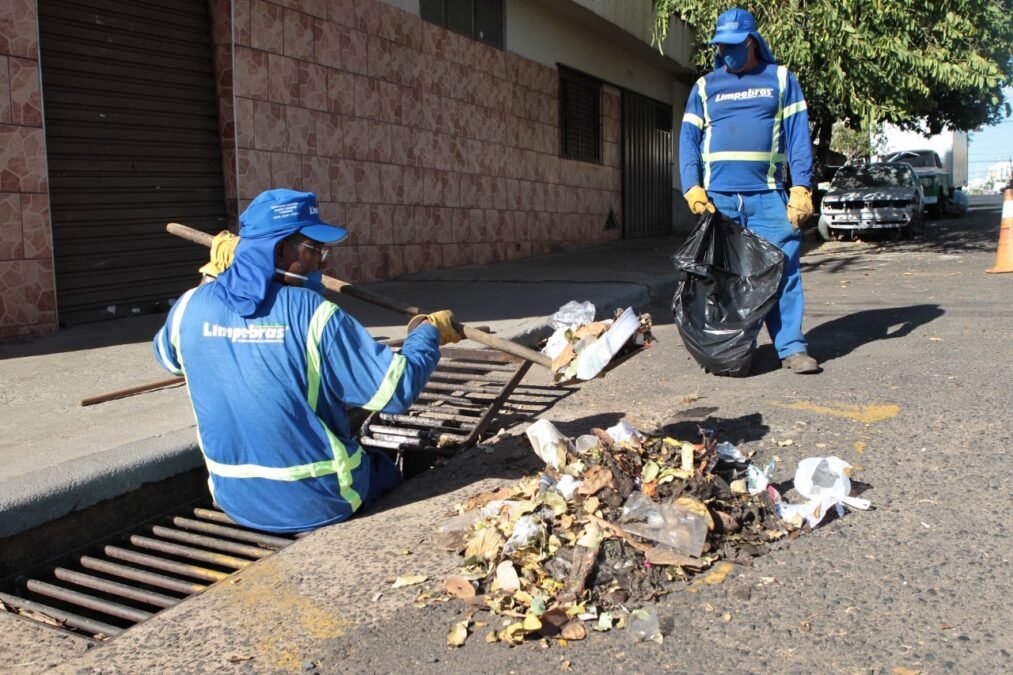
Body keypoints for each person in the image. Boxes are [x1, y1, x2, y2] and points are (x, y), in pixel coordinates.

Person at [154, 189, 461, 533]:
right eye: (315, 250)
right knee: (390, 471)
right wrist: (427, 334)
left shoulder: (188, 307)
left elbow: (170, 359)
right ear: (280, 251)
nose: (324, 263)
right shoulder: (315, 315)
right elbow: (396, 390)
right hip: (321, 500)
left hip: (236, 500)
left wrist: (213, 275)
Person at [679, 7, 819, 374]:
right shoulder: (706, 87)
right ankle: (736, 348)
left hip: (767, 196)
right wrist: (692, 187)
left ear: (752, 42)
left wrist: (801, 187)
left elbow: (798, 138)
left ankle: (791, 348)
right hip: (720, 201)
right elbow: (689, 140)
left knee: (783, 269)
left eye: (733, 45)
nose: (726, 52)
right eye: (721, 46)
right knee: (725, 278)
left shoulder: (782, 79)